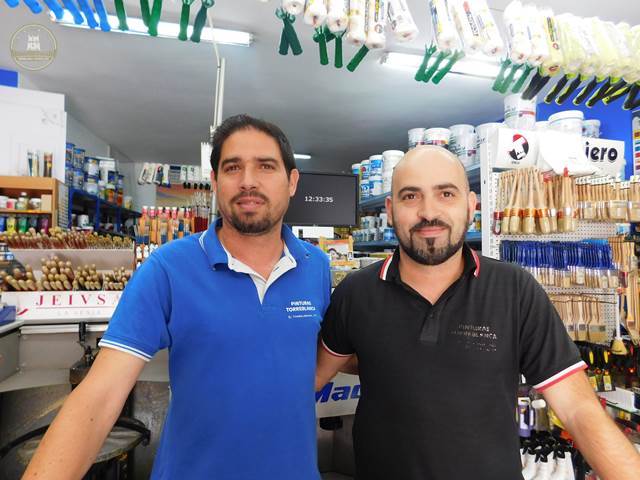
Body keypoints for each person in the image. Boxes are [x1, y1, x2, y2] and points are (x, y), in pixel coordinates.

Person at [24, 115, 331, 479]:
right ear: (214, 181)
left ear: (292, 181)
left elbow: (316, 360)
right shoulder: (167, 268)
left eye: (266, 166)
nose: (248, 181)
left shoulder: (316, 266)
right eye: (233, 167)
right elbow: (100, 395)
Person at [316, 146, 640, 480]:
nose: (428, 212)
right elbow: (316, 374)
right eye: (411, 196)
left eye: (446, 193)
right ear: (390, 209)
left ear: (471, 206)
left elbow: (578, 408)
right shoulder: (356, 292)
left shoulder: (515, 289)